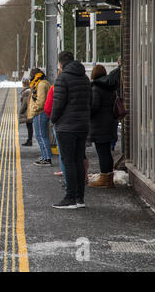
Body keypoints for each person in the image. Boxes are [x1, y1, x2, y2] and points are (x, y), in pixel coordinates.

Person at [51, 51, 91, 209]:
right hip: (82, 126)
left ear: (61, 64)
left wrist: (53, 119)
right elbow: (90, 102)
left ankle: (70, 198)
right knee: (78, 161)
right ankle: (80, 198)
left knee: (68, 162)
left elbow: (58, 104)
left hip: (67, 127)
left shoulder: (62, 78)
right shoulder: (85, 78)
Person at [88, 64, 118, 188]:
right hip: (110, 122)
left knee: (102, 152)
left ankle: (104, 178)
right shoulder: (110, 87)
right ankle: (109, 178)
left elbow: (94, 106)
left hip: (99, 124)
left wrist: (87, 112)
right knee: (107, 152)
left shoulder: (96, 88)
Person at [27, 68, 52, 166]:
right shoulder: (43, 82)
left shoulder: (41, 84)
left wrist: (34, 109)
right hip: (41, 113)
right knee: (41, 135)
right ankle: (45, 156)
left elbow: (41, 101)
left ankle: (47, 159)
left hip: (40, 113)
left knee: (41, 136)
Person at [44, 82, 67, 189]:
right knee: (78, 155)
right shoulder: (84, 82)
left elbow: (48, 108)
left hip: (62, 124)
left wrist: (53, 119)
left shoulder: (56, 86)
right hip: (81, 124)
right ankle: (81, 180)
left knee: (64, 154)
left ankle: (68, 182)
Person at [19, 77, 33, 146]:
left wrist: (21, 111)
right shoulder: (28, 90)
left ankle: (29, 141)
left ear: (24, 83)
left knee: (29, 126)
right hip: (29, 111)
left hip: (27, 111)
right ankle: (29, 140)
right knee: (29, 126)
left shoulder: (26, 92)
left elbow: (25, 103)